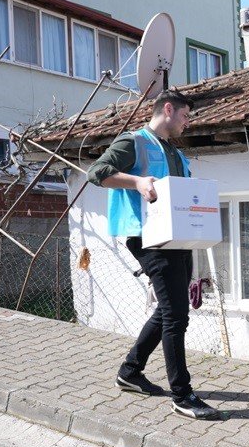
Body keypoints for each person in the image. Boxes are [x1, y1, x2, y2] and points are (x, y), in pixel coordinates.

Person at [87, 89, 219, 420]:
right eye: (186, 116)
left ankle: (130, 372)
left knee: (169, 309)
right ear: (169, 109)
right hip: (147, 237)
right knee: (177, 316)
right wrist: (136, 182)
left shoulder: (174, 152)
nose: (188, 123)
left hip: (177, 238)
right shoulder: (134, 142)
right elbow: (97, 173)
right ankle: (182, 395)